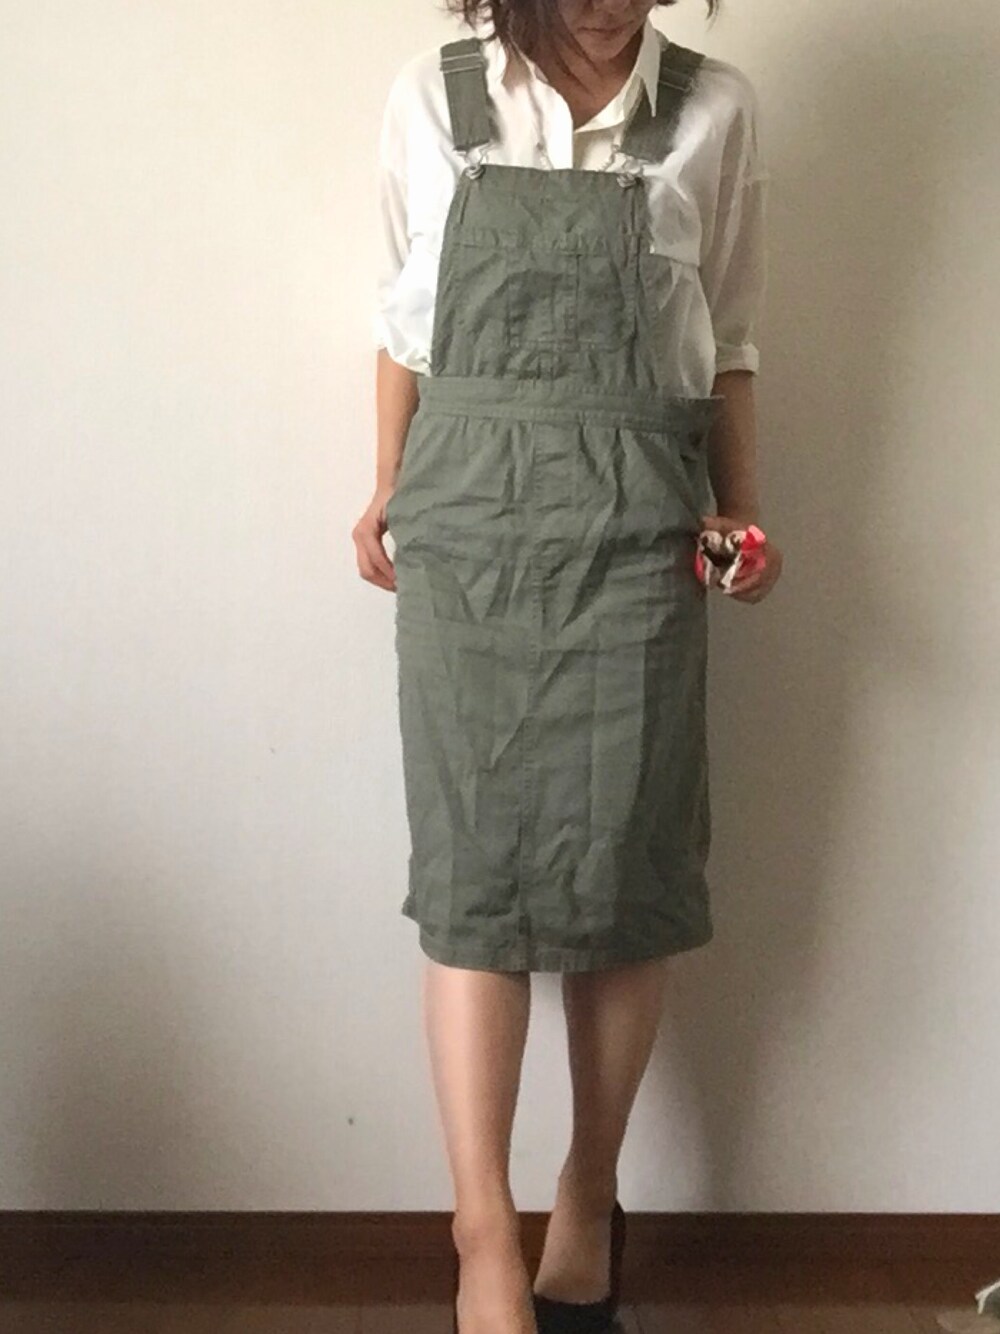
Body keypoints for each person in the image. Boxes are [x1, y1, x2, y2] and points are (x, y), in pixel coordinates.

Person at [353, 1, 784, 1330]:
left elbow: (728, 341)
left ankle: (589, 1192)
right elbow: (404, 327)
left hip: (641, 531)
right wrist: (383, 486)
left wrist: (743, 513)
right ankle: (482, 1231)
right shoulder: (433, 99)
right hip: (467, 525)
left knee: (624, 870)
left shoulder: (716, 111)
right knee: (471, 874)